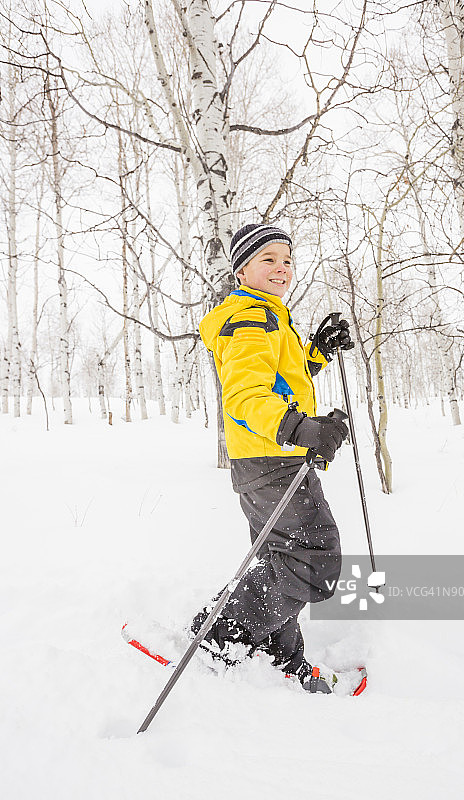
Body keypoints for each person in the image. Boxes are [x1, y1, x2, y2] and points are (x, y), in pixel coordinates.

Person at [191, 223, 354, 693]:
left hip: (268, 457)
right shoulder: (249, 318)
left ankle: (273, 652)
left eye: (286, 260)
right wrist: (302, 429)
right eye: (268, 260)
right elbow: (245, 397)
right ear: (242, 269)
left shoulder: (269, 316)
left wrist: (317, 354)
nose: (281, 268)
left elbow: (284, 377)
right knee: (313, 557)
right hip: (270, 457)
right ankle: (216, 637)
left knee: (279, 557)